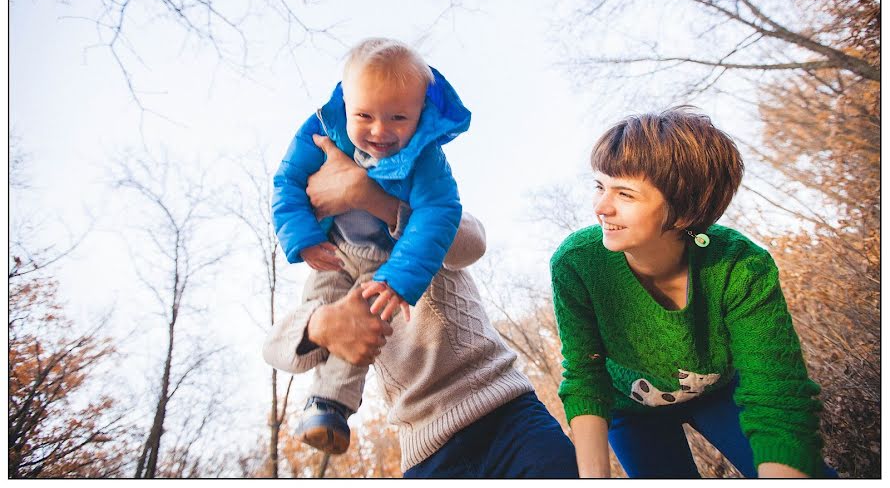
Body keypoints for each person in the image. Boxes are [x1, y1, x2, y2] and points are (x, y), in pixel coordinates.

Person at [263, 139, 579, 478]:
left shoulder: (425, 215)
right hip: (426, 447)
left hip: (507, 412)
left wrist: (376, 200)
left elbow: (473, 242)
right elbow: (275, 348)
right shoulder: (334, 264)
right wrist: (319, 325)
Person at [551, 106, 835, 478]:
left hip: (720, 393)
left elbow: (778, 400)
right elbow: (585, 375)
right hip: (632, 411)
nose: (602, 207)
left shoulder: (740, 266)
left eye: (626, 194)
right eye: (600, 186)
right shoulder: (576, 263)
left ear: (684, 212)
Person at [271, 38, 470, 454]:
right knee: (330, 312)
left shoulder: (425, 157)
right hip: (333, 251)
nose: (380, 131)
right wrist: (303, 239)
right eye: (364, 116)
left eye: (398, 117)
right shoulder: (321, 131)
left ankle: (331, 406)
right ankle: (322, 404)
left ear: (421, 114)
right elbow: (287, 181)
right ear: (345, 104)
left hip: (386, 259)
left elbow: (441, 214)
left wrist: (399, 278)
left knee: (366, 316)